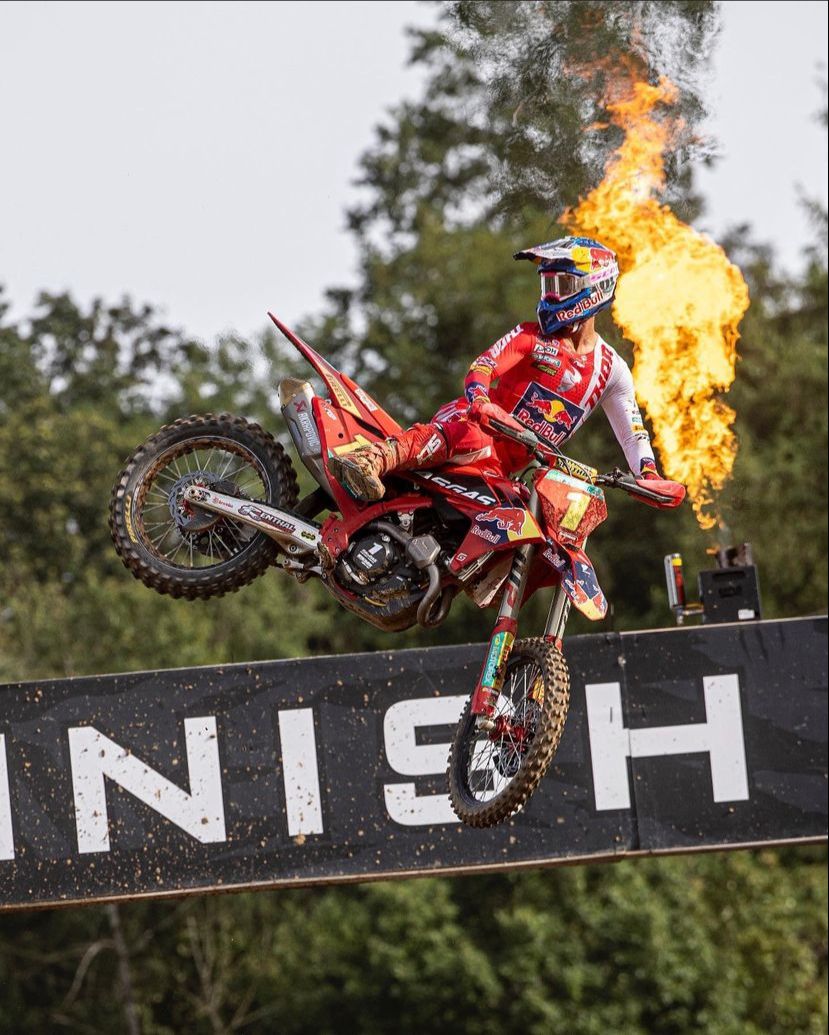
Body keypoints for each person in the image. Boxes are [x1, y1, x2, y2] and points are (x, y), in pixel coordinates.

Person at [329, 236, 685, 509]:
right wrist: (481, 401)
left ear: (595, 290)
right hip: (473, 428)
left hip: (505, 470)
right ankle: (372, 458)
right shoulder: (531, 336)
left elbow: (632, 433)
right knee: (469, 433)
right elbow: (483, 365)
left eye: (561, 286)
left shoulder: (611, 370)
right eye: (547, 286)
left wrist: (648, 477)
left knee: (524, 517)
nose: (550, 296)